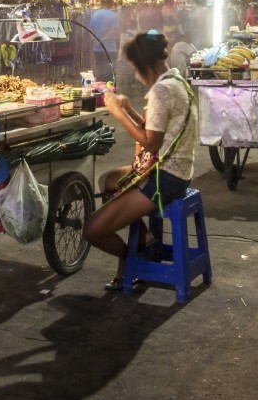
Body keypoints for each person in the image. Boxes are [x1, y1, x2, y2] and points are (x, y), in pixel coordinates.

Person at [83, 31, 199, 292]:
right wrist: (129, 110)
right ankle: (144, 237)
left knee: (91, 230)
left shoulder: (162, 90)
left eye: (135, 69)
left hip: (165, 178)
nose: (136, 76)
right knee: (109, 180)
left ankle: (128, 258)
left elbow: (150, 143)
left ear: (144, 65)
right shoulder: (176, 80)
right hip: (177, 171)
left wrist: (117, 114)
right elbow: (156, 130)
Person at [87, 0, 120, 81]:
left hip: (97, 49)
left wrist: (96, 41)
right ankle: (109, 92)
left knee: (100, 70)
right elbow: (114, 30)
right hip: (110, 48)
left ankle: (100, 90)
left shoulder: (95, 14)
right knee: (110, 73)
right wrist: (104, 39)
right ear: (111, 3)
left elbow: (90, 29)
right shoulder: (114, 15)